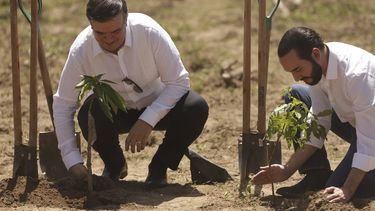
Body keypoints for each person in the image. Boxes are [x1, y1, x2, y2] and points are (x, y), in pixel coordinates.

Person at [53, 0, 208, 190]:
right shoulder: (81, 50)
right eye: (100, 34)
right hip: (114, 112)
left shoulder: (149, 32)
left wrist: (148, 119)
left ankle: (159, 166)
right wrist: (71, 160)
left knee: (195, 107)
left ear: (126, 19)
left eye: (116, 32)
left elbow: (179, 82)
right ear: (90, 25)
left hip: (158, 104)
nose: (109, 39)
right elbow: (63, 104)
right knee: (89, 113)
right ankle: (114, 165)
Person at [252, 26, 375, 202]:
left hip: (372, 131)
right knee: (295, 94)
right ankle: (316, 174)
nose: (296, 77)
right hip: (360, 124)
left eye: (298, 69)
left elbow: (370, 140)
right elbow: (319, 120)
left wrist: (347, 189)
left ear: (315, 53)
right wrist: (287, 170)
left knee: (336, 189)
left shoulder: (357, 75)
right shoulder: (319, 66)